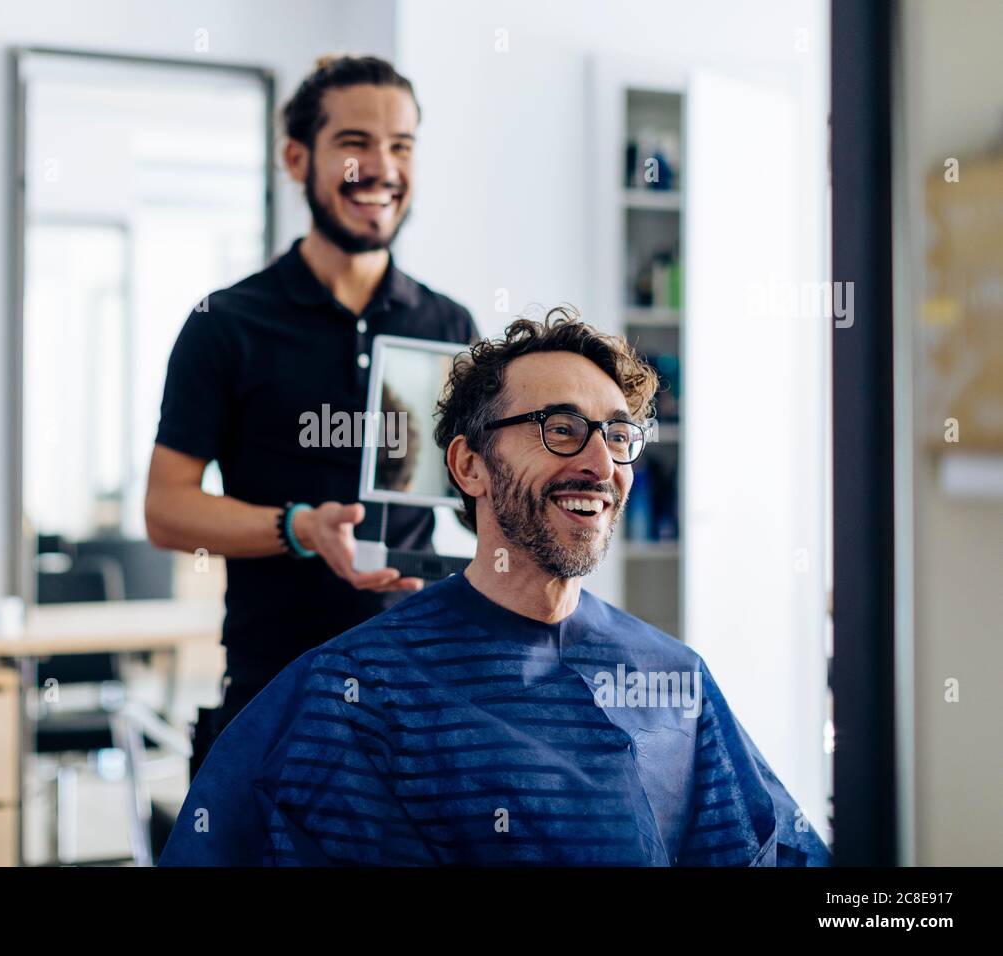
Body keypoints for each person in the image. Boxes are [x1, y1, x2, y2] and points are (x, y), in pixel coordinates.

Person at [159, 307, 831, 866]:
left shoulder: (676, 679)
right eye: (561, 430)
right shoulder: (355, 693)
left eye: (619, 435)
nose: (601, 464)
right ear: (470, 465)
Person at [146, 55, 478, 775]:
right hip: (274, 698)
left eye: (402, 145)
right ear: (297, 158)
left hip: (419, 694)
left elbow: (473, 492)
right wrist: (299, 528)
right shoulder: (225, 323)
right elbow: (165, 510)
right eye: (356, 143)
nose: (383, 168)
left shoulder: (451, 323)